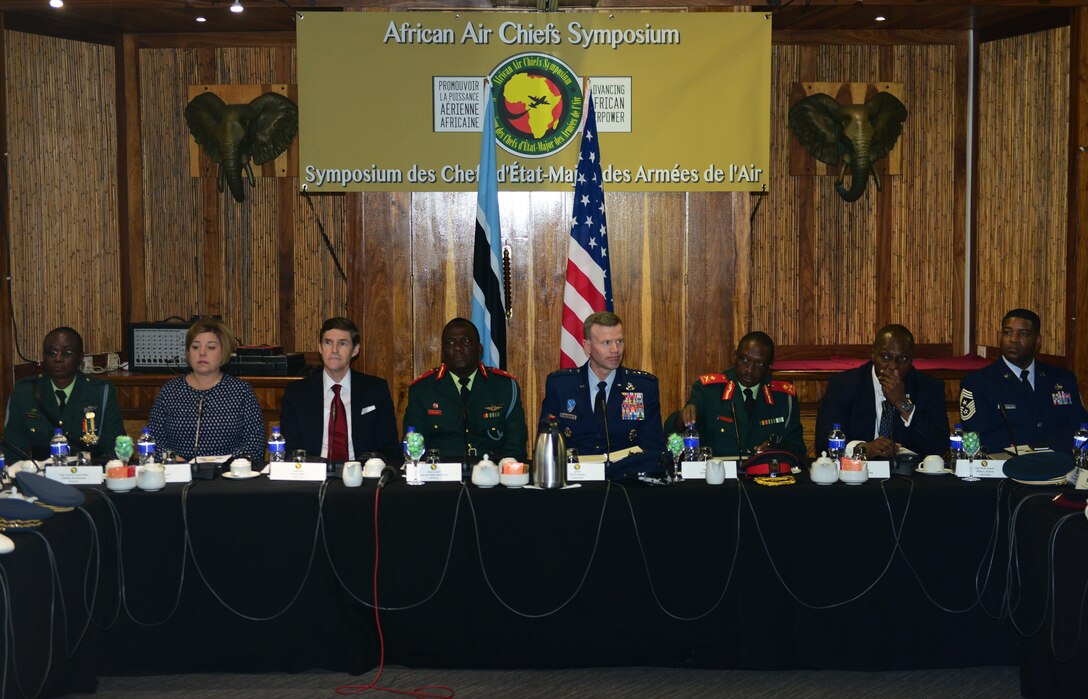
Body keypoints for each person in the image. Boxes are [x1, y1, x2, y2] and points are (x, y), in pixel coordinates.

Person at [539, 311, 664, 477]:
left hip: (625, 484)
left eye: (619, 341)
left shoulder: (643, 387)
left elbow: (653, 448)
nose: (615, 350)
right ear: (587, 346)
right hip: (575, 482)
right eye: (606, 343)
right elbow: (547, 445)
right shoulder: (561, 385)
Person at [959, 309, 1088, 454]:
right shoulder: (978, 383)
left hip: (1060, 465)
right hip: (1006, 467)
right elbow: (977, 437)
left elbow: (1080, 427)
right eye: (1007, 332)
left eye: (1023, 334)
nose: (1014, 339)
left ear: (1037, 340)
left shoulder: (1063, 379)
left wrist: (1052, 449)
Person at [815, 324, 949, 458]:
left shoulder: (929, 388)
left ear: (912, 358)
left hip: (910, 474)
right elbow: (823, 443)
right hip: (857, 472)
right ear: (873, 355)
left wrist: (903, 404)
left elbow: (940, 447)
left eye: (902, 359)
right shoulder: (843, 385)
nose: (893, 366)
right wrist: (862, 449)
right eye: (885, 357)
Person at [403, 318, 527, 462]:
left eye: (466, 341)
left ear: (479, 350)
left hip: (492, 475)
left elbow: (515, 448)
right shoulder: (423, 389)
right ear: (442, 353)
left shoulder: (504, 387)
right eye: (450, 342)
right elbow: (413, 447)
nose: (457, 347)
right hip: (439, 475)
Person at [280, 317, 399, 464]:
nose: (334, 350)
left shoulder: (375, 390)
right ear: (320, 348)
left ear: (355, 350)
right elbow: (290, 449)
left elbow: (389, 446)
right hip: (313, 477)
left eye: (342, 343)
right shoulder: (297, 393)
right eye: (328, 343)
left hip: (363, 477)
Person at [147, 318, 265, 460]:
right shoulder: (170, 391)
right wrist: (173, 458)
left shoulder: (240, 391)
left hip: (227, 474)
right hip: (178, 473)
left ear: (224, 352)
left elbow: (255, 444)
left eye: (211, 347)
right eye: (195, 347)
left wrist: (223, 461)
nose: (202, 353)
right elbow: (152, 442)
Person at [2, 327, 124, 462]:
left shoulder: (101, 392)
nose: (58, 358)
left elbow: (113, 451)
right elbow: (12, 452)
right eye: (51, 352)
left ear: (81, 357)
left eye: (66, 353)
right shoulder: (25, 392)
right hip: (41, 478)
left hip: (90, 475)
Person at [679, 332, 805, 458]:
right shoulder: (709, 391)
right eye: (744, 359)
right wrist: (682, 418)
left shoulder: (783, 398)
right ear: (735, 357)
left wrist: (775, 449)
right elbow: (675, 431)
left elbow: (798, 449)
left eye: (759, 363)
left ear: (770, 366)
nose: (749, 369)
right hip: (719, 474)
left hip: (765, 474)